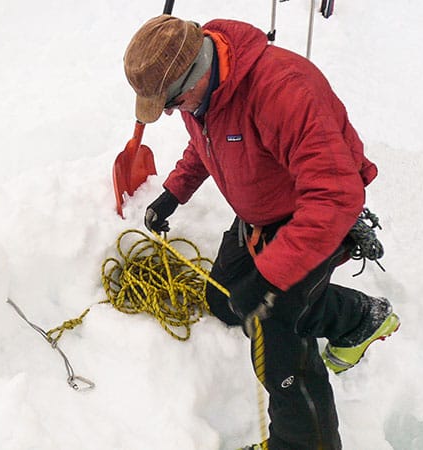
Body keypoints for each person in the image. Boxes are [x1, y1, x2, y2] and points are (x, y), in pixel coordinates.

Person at [123, 15, 400, 450]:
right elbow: (205, 142)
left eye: (173, 101)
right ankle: (359, 318)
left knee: (275, 334)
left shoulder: (284, 90)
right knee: (225, 298)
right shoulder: (202, 95)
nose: (174, 111)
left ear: (196, 72)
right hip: (258, 213)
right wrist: (174, 193)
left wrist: (272, 278)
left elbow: (335, 195)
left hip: (311, 218)